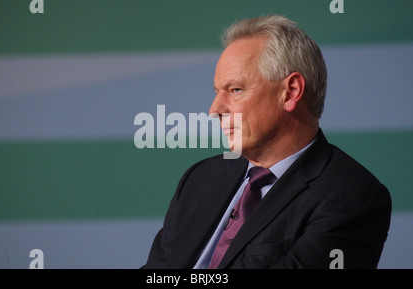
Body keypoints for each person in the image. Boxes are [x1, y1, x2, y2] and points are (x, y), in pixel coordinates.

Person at [142, 15, 391, 269]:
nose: (214, 109)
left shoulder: (351, 196)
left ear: (291, 92)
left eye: (236, 90)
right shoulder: (199, 179)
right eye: (217, 93)